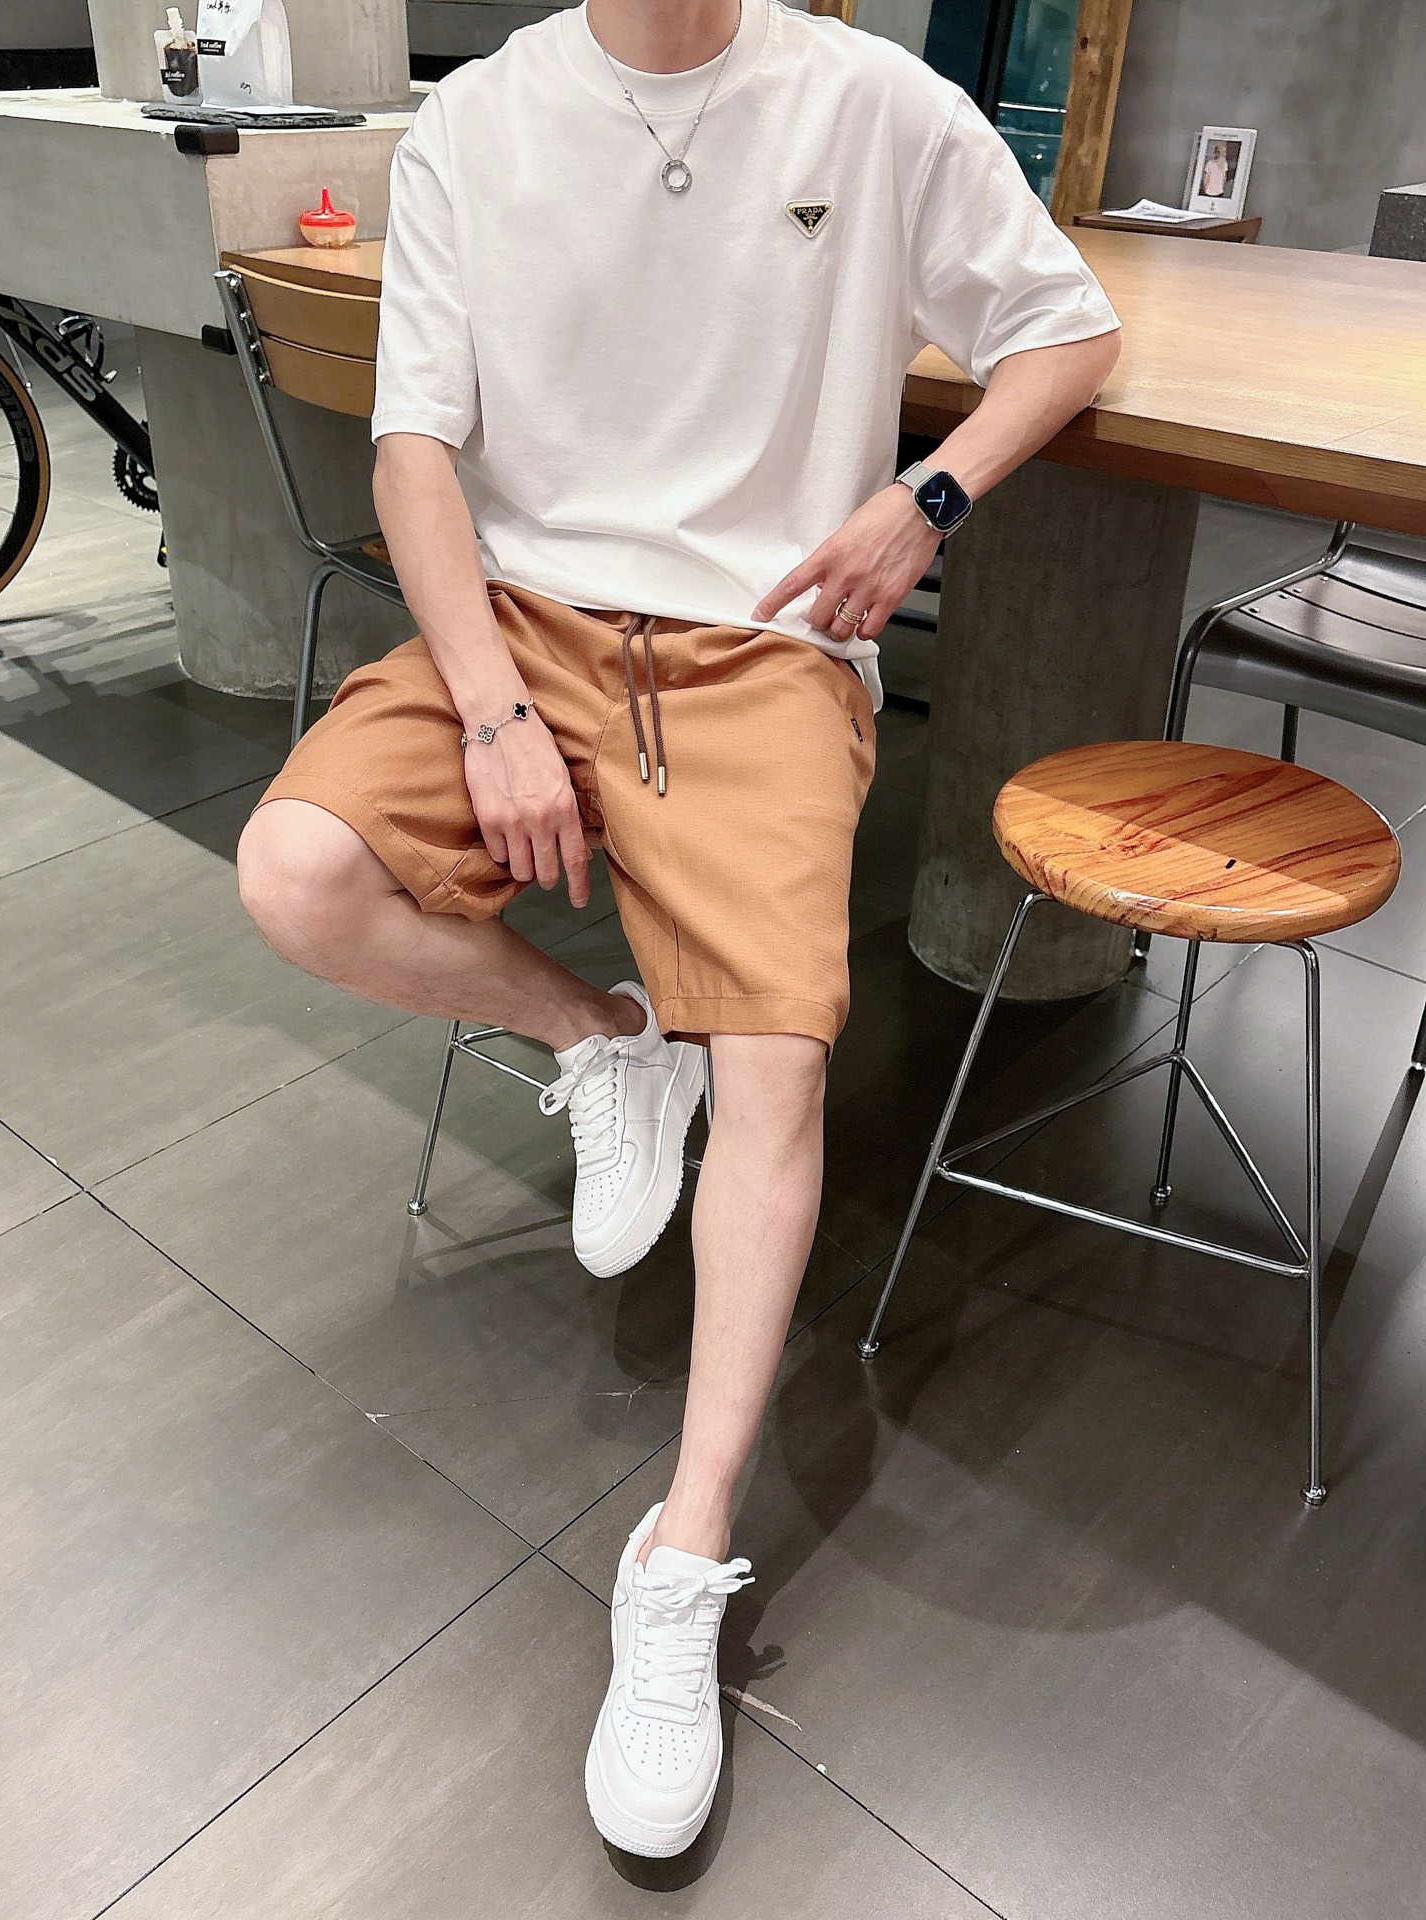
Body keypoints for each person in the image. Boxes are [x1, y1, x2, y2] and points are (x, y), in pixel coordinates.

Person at [236, 0, 1121, 1860]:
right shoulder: (481, 119)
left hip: (762, 646)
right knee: (297, 873)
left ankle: (682, 1552)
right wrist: (490, 710)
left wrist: (927, 495)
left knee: (780, 1063)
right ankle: (602, 1039)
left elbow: (1068, 329)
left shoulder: (873, 102)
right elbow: (416, 454)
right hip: (526, 621)